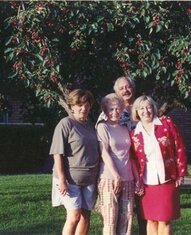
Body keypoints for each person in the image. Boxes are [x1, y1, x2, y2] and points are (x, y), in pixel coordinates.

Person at [130, 95, 188, 235]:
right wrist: (137, 181)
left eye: (148, 107)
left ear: (154, 108)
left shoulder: (166, 123)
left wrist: (181, 172)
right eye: (141, 108)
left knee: (164, 220)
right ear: (137, 112)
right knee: (151, 220)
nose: (146, 111)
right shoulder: (134, 134)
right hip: (147, 183)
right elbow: (134, 160)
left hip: (167, 179)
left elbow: (179, 147)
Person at [97, 76, 147, 235]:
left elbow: (130, 152)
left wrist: (136, 177)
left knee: (128, 218)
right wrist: (116, 175)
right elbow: (103, 151)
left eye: (128, 87)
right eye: (121, 88)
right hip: (111, 176)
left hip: (132, 174)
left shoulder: (137, 113)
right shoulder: (103, 122)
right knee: (111, 219)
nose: (126, 91)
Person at [49, 89, 100, 235]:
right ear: (72, 106)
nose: (84, 108)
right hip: (70, 179)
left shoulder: (91, 125)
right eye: (79, 105)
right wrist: (62, 179)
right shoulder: (65, 123)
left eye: (87, 104)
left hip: (90, 179)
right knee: (74, 216)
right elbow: (57, 153)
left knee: (85, 216)